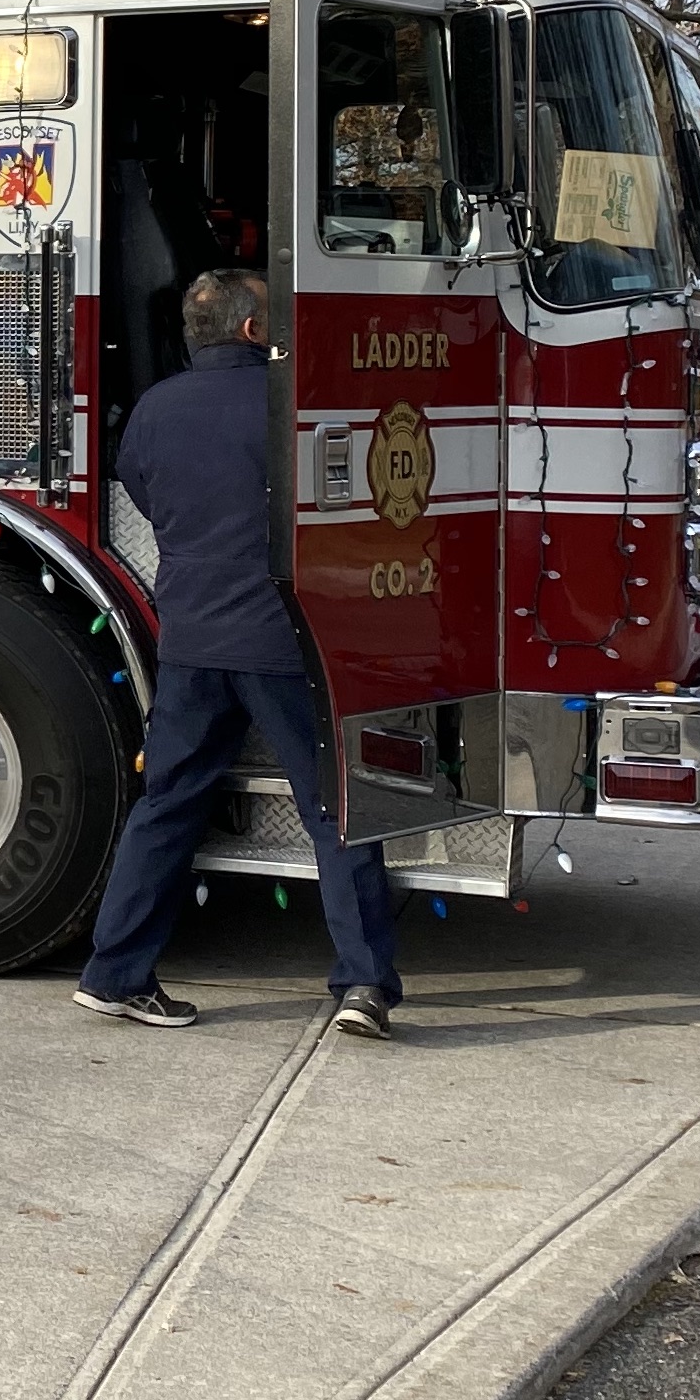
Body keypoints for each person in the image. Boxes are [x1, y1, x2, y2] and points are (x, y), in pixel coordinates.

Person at [74, 268, 403, 1040]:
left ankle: (114, 974)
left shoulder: (154, 408)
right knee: (336, 808)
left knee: (167, 804)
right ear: (255, 330)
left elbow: (143, 493)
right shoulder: (293, 404)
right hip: (285, 642)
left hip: (190, 640)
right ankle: (363, 984)